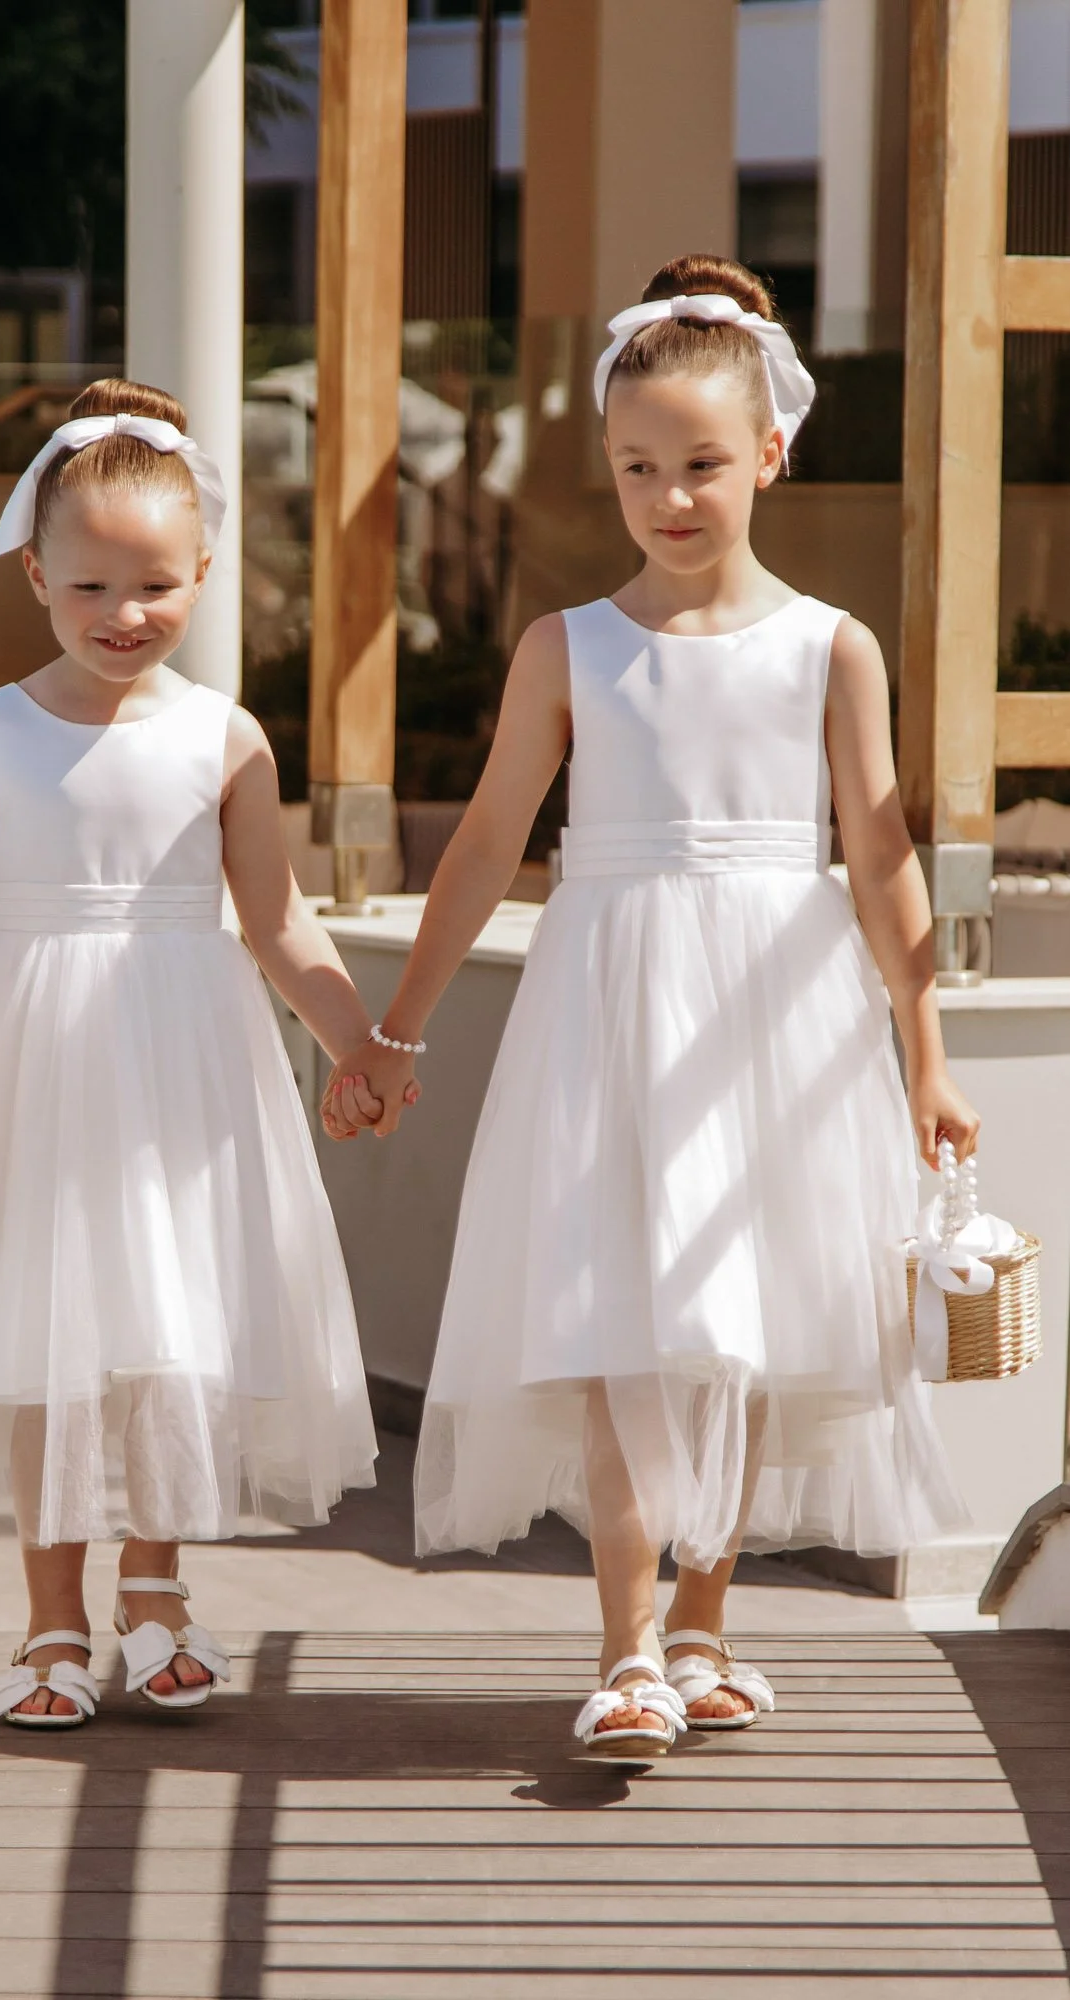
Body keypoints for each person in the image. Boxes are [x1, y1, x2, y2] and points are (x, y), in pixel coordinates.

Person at [323, 256, 978, 1761]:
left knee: (734, 1331)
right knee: (629, 1323)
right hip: (614, 1010)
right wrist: (397, 1025)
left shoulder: (832, 647)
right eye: (636, 470)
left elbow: (879, 853)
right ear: (604, 468)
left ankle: (704, 1628)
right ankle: (624, 1650)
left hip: (780, 1012)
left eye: (700, 465)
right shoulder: (570, 646)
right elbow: (490, 839)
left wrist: (926, 1056)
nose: (670, 498)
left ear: (771, 451)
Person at [0, 378, 381, 1728]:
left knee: (168, 1326)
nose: (125, 618)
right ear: (36, 575)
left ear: (204, 572)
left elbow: (280, 919)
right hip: (27, 1054)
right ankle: (52, 1615)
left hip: (180, 1057)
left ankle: (160, 1591)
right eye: (90, 590)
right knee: (47, 1335)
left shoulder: (224, 737)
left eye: (157, 588)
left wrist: (363, 1039)